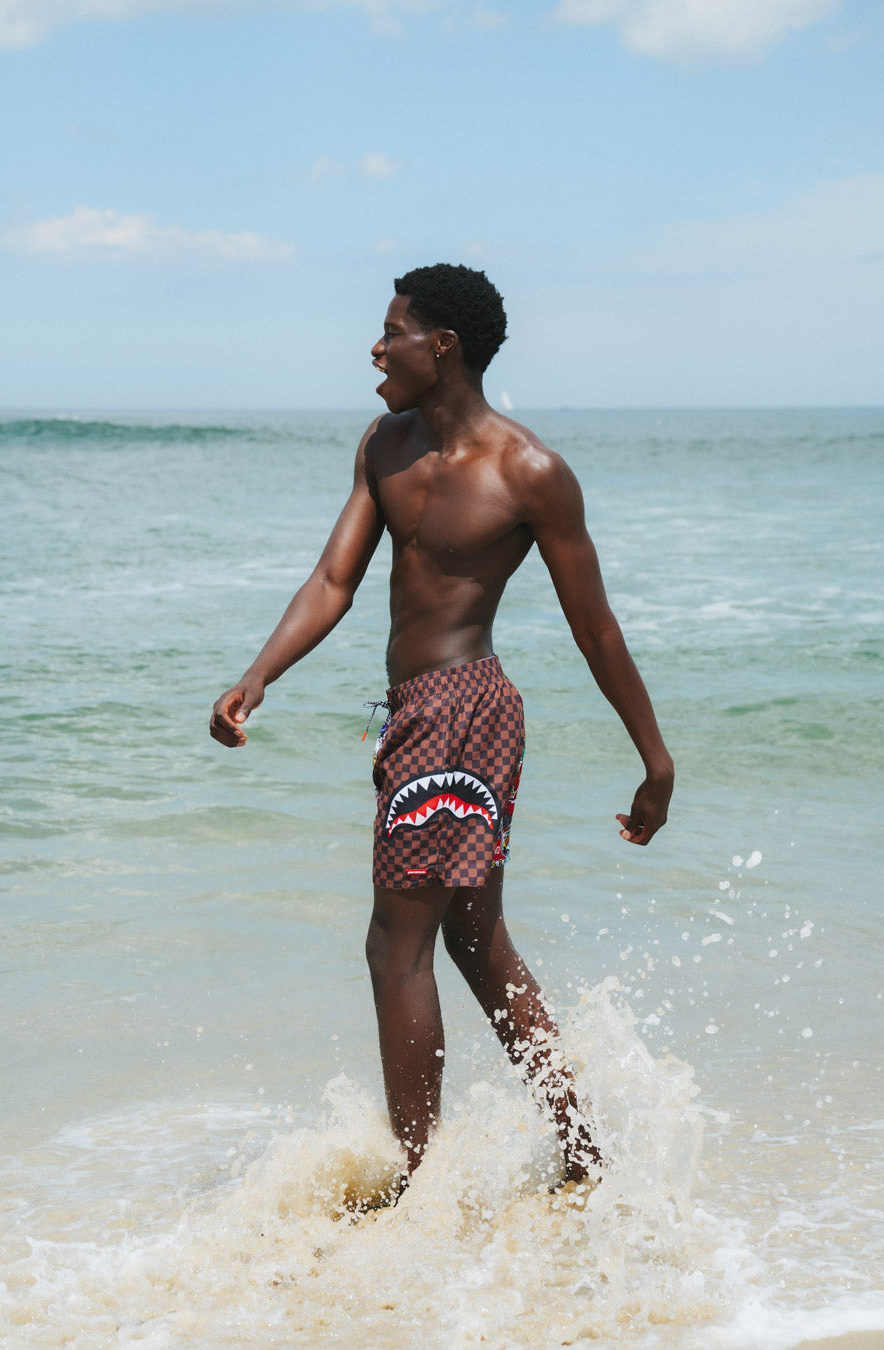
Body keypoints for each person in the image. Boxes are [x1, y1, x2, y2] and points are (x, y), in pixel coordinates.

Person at [210, 263, 673, 1194]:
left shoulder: (526, 470)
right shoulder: (384, 443)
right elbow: (333, 580)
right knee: (471, 940)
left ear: (443, 346)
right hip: (415, 712)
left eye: (392, 332)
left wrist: (654, 761)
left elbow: (597, 628)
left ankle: (409, 1185)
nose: (375, 349)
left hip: (465, 710)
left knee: (396, 946)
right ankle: (584, 1158)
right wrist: (259, 674)